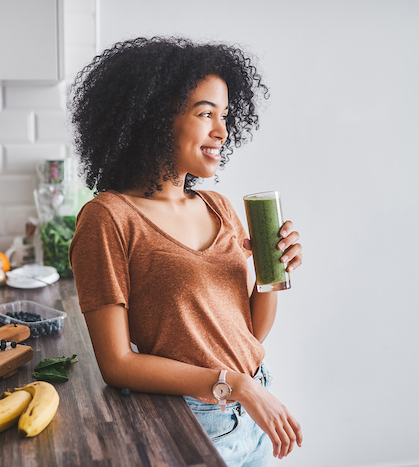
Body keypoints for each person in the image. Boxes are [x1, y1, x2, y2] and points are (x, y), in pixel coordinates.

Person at [68, 36, 303, 466]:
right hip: (193, 419)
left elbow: (248, 334)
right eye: (205, 113)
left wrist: (274, 272)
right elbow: (117, 363)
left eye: (226, 115)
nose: (222, 131)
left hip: (254, 406)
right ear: (155, 118)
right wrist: (237, 386)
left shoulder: (219, 207)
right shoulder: (108, 219)